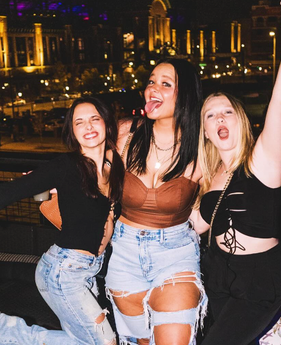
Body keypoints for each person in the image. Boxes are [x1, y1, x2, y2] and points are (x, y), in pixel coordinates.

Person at [0, 96, 125, 345]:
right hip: (63, 271)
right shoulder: (66, 166)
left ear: (106, 123)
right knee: (105, 343)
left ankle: (12, 334)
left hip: (88, 271)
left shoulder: (113, 163)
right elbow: (8, 191)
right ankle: (13, 333)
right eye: (79, 122)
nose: (88, 127)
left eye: (94, 119)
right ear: (72, 131)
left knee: (83, 340)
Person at [189, 2, 281, 344]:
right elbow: (193, 226)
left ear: (240, 120)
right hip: (216, 273)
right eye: (210, 116)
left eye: (226, 112)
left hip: (260, 277)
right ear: (204, 131)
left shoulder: (262, 160)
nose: (219, 120)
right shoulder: (209, 174)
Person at [105, 58, 206, 345]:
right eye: (151, 82)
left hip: (175, 256)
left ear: (185, 94)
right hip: (123, 255)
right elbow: (88, 164)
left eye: (165, 84)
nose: (153, 89)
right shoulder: (126, 134)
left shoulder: (201, 148)